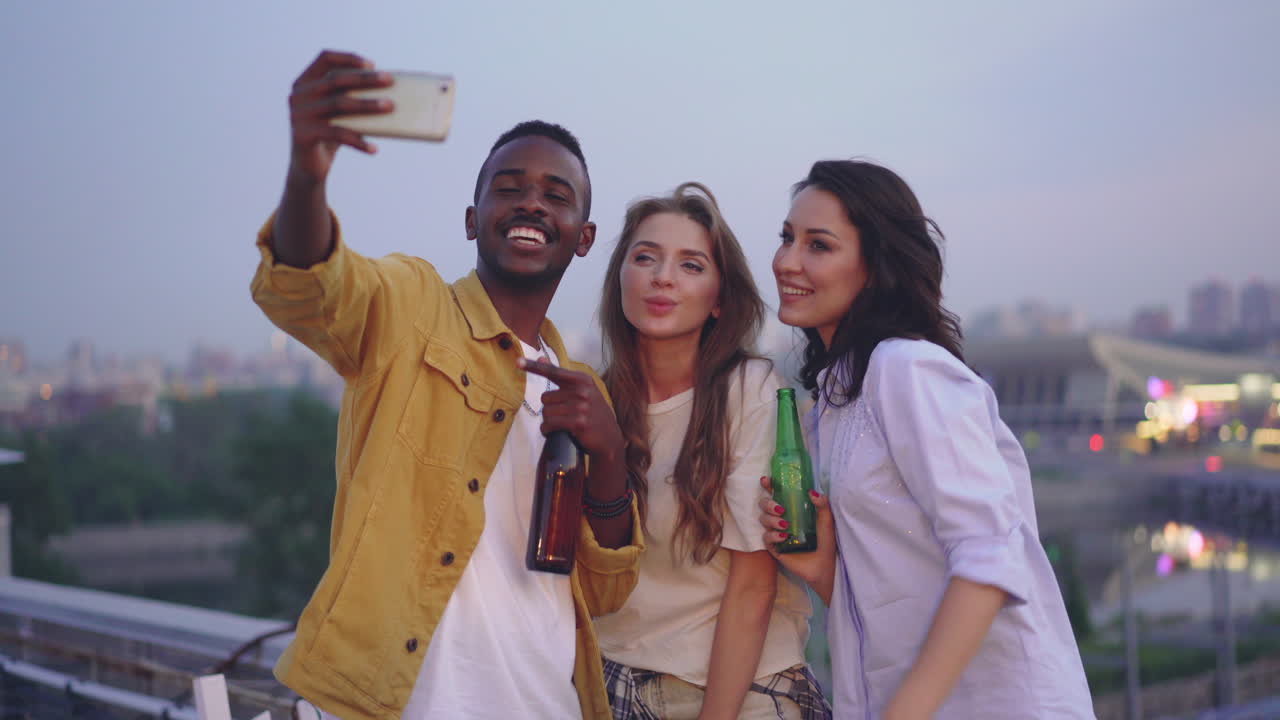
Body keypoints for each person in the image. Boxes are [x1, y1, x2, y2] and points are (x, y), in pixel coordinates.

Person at [250, 49, 642, 720]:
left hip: (548, 702)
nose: (531, 202)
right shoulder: (413, 308)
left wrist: (608, 455)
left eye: (556, 195)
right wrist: (307, 173)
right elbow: (309, 289)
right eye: (509, 188)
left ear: (584, 237)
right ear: (471, 219)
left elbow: (604, 592)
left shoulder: (581, 388)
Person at [758, 160, 1093, 719]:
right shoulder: (833, 405)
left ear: (875, 265)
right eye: (787, 237)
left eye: (818, 245)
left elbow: (991, 555)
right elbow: (886, 599)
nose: (787, 261)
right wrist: (823, 567)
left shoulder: (907, 368)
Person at [592, 183, 831, 719]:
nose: (663, 277)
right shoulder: (597, 401)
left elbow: (753, 588)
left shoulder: (750, 391)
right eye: (645, 258)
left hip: (740, 692)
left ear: (720, 299)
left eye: (691, 265)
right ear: (620, 279)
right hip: (612, 687)